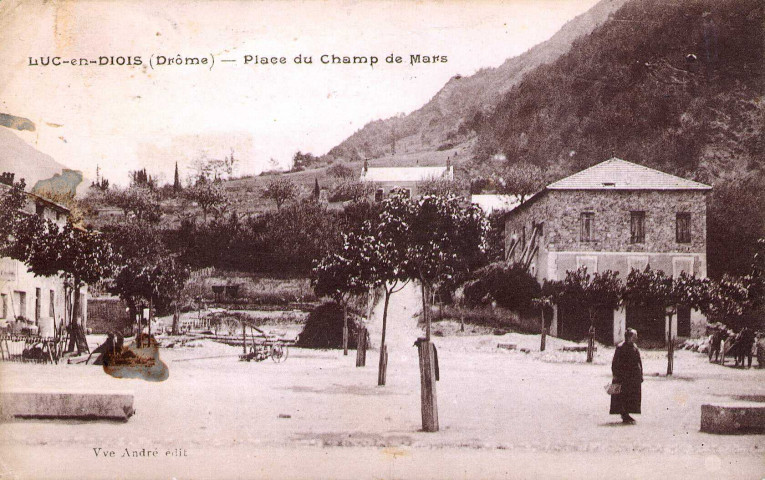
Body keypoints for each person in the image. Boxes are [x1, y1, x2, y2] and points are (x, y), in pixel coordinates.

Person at [610, 328, 643, 424]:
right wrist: (615, 374)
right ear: (629, 337)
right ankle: (624, 414)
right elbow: (615, 362)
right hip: (622, 376)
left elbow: (639, 362)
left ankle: (627, 413)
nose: (636, 337)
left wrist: (640, 374)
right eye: (634, 336)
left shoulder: (635, 347)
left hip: (633, 377)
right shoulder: (620, 347)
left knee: (631, 395)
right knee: (621, 395)